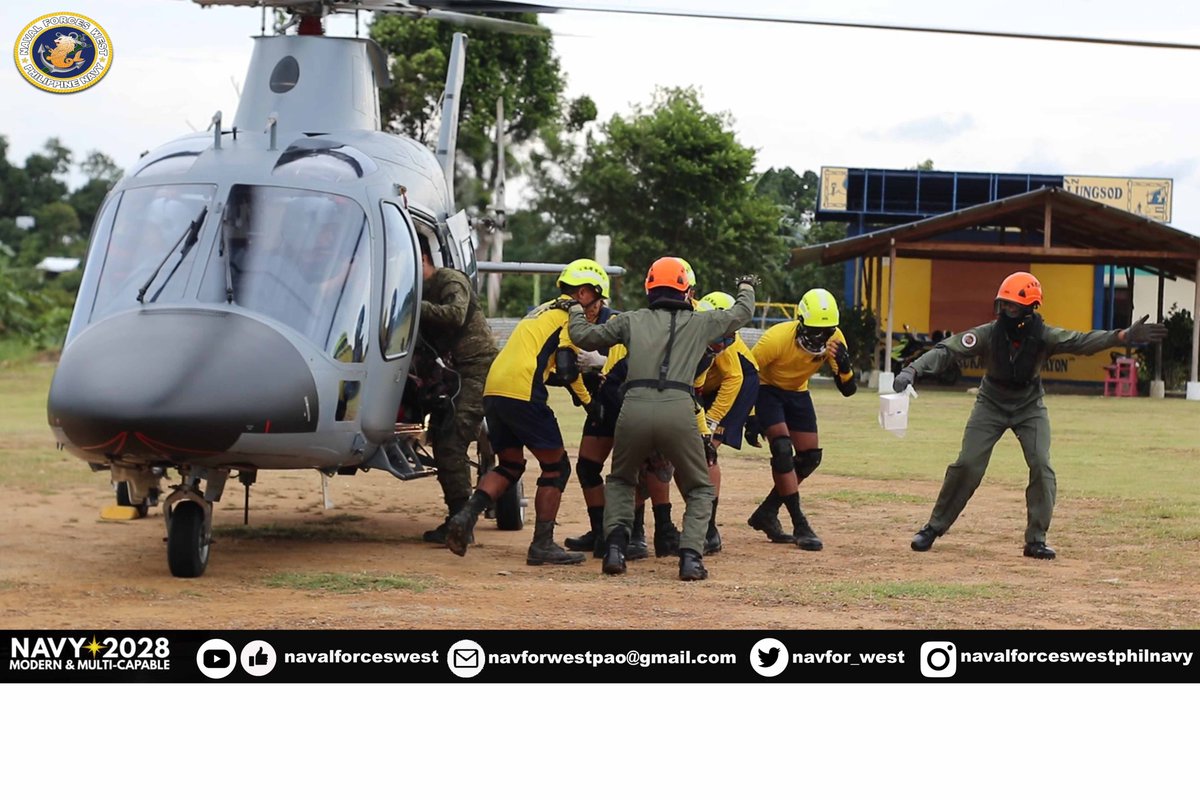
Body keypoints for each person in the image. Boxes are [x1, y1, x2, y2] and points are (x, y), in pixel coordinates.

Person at [893, 271, 1168, 559]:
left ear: (1029, 308)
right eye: (1004, 305)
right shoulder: (989, 333)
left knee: (1041, 465)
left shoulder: (1045, 336)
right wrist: (913, 370)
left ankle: (1036, 539)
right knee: (968, 464)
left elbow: (1081, 342)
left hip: (1029, 405)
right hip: (991, 402)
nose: (1006, 311)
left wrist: (1122, 336)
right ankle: (933, 528)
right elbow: (948, 349)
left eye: (1012, 306)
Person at [568, 257, 758, 581]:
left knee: (621, 480)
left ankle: (615, 550)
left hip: (634, 407)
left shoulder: (631, 320)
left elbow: (584, 336)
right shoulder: (701, 322)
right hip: (679, 408)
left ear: (649, 288)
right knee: (699, 487)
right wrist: (746, 287)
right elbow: (741, 313)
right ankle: (690, 559)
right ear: (686, 290)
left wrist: (574, 308)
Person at [443, 260, 602, 566]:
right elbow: (568, 369)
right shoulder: (573, 314)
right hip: (523, 390)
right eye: (598, 301)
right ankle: (542, 543)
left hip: (494, 387)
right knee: (557, 468)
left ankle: (465, 516)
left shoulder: (543, 309)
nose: (598, 309)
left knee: (510, 466)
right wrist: (589, 403)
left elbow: (551, 365)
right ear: (584, 293)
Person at [747, 288, 857, 551]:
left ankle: (767, 512)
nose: (821, 336)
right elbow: (747, 373)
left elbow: (848, 390)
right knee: (782, 448)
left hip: (797, 391)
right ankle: (799, 523)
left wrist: (845, 368)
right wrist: (750, 416)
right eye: (815, 329)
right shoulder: (776, 339)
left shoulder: (835, 339)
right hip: (766, 389)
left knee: (809, 457)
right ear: (800, 322)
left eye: (827, 330)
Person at [416, 236, 499, 544]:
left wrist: (409, 306)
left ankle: (460, 522)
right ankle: (458, 517)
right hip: (453, 373)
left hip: (477, 369)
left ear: (422, 257)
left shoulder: (449, 280)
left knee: (452, 440)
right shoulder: (421, 291)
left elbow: (455, 314)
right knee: (442, 436)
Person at [694, 290, 761, 553]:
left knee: (704, 450)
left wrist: (711, 421)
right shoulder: (692, 316)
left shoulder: (724, 343)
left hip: (739, 382)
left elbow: (734, 378)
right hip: (709, 386)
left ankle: (709, 530)